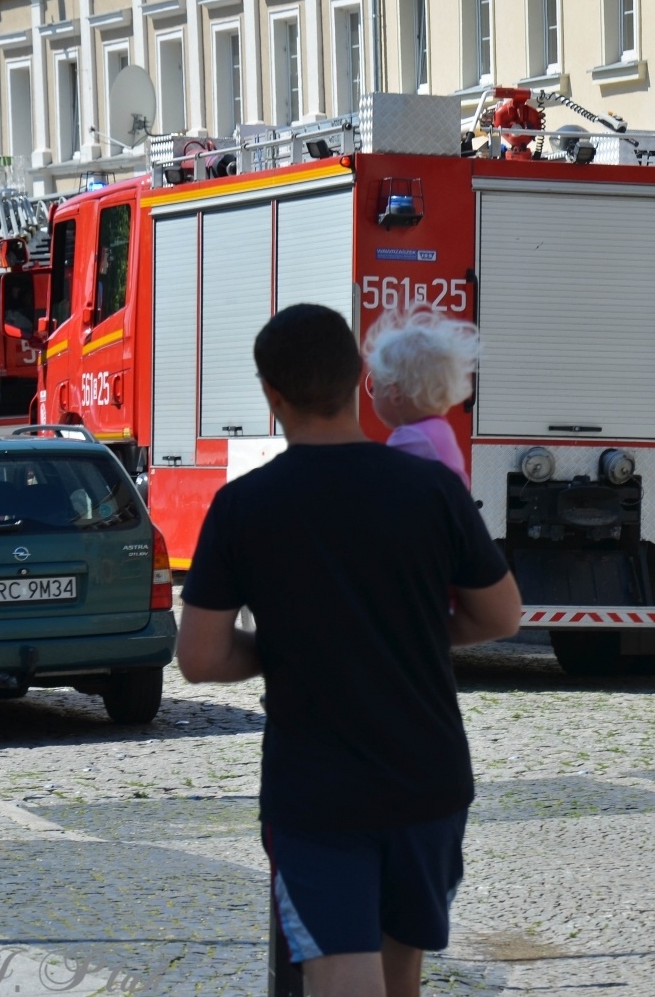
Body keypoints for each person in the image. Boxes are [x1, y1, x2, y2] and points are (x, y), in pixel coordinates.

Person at [175, 303, 521, 997]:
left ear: (272, 396)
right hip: (427, 775)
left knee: (339, 974)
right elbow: (502, 614)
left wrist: (289, 646)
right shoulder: (428, 488)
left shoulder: (245, 505)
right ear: (359, 378)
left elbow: (202, 657)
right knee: (401, 980)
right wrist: (407, 630)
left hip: (317, 790)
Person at [365, 306, 480, 487]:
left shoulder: (410, 438)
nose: (373, 394)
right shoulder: (439, 430)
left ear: (394, 393)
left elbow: (383, 484)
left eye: (375, 388)